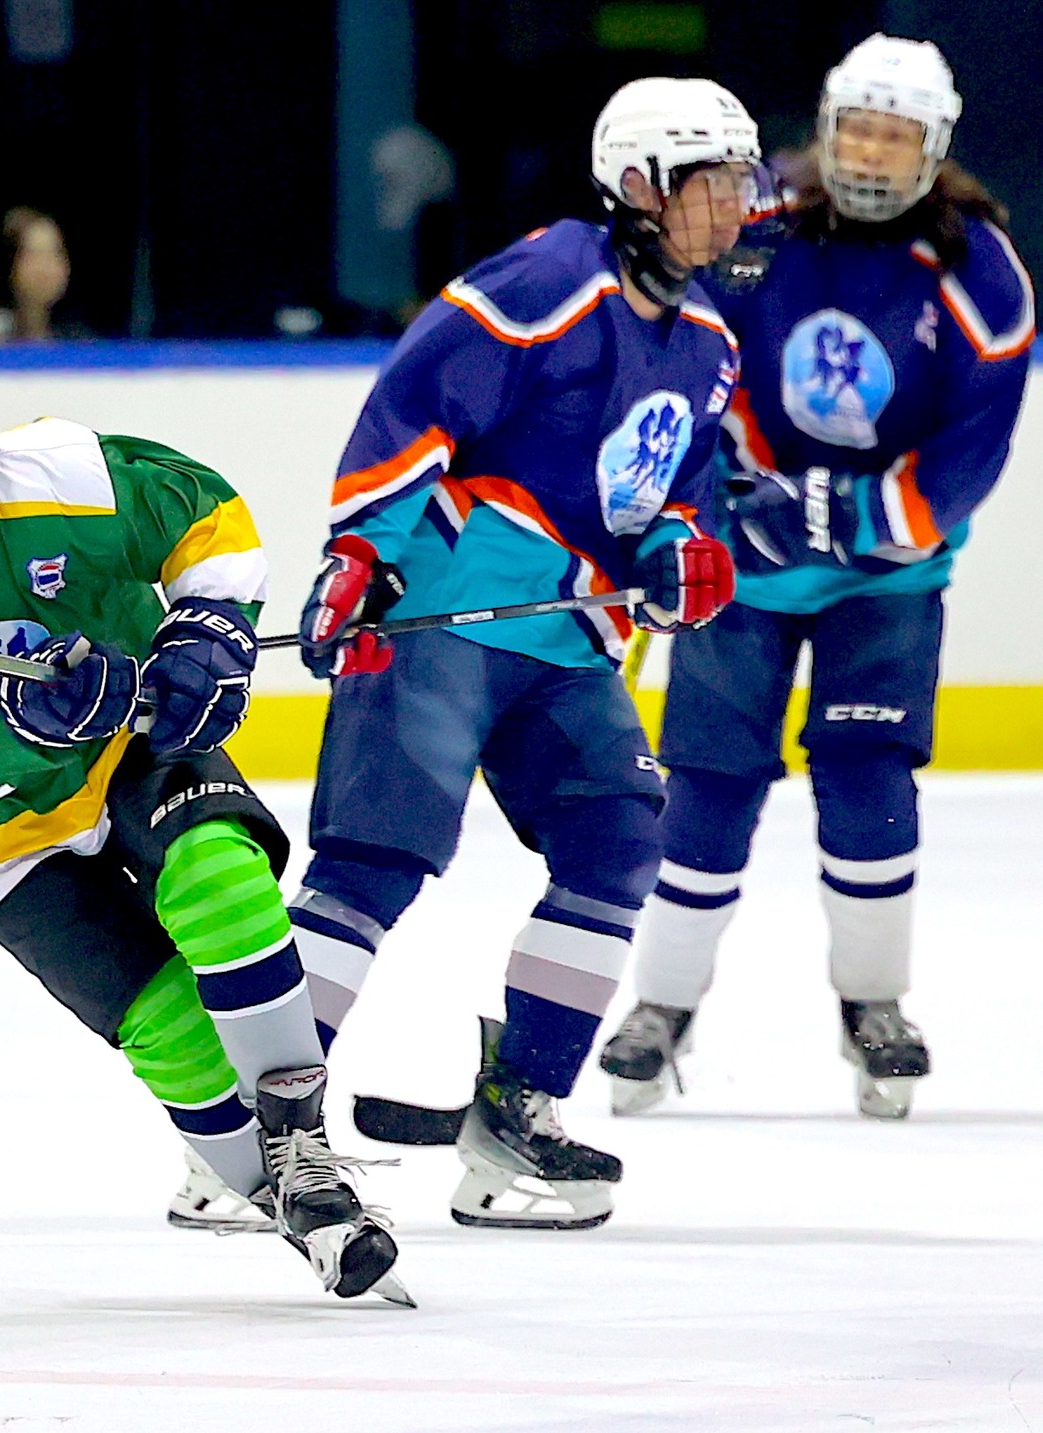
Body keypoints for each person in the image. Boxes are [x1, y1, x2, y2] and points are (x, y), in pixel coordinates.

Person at [0, 296, 405, 1301]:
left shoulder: (62, 475)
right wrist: (26, 724)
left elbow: (206, 515)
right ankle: (301, 1211)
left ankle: (303, 1148)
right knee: (168, 1030)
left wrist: (203, 628)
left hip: (130, 745)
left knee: (218, 874)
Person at [283, 78, 764, 1230]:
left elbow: (668, 499)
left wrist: (685, 552)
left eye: (743, 185)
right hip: (439, 617)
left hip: (566, 645)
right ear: (639, 184)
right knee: (373, 861)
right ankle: (259, 1133)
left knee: (615, 839)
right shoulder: (548, 279)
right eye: (712, 185)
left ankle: (519, 1114)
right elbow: (411, 408)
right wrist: (358, 555)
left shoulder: (707, 345)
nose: (735, 210)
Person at [600, 36, 1033, 1120]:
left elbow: (970, 452)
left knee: (866, 777)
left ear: (932, 149)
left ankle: (871, 1004)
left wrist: (843, 515)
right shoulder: (755, 232)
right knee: (706, 780)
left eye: (895, 137)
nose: (871, 155)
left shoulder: (977, 271)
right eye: (857, 129)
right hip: (742, 571)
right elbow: (687, 346)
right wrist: (727, 487)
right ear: (825, 126)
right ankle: (659, 1003)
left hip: (883, 581)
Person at [0, 207, 78, 344]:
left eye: (55, 253)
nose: (45, 269)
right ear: (10, 264)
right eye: (33, 255)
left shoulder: (77, 336)